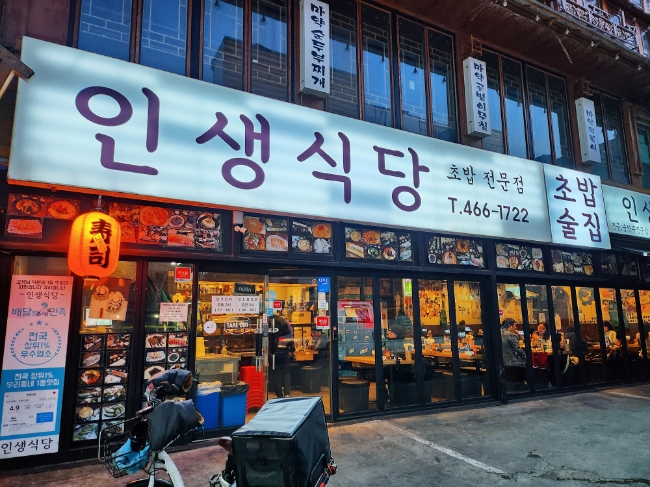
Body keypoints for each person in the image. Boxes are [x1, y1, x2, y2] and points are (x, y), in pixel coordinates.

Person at [271, 316, 294, 398]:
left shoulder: (268, 322)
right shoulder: (285, 323)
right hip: (284, 352)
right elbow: (290, 337)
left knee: (276, 374)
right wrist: (292, 348)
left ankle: (279, 395)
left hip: (273, 353)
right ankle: (287, 393)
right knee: (286, 373)